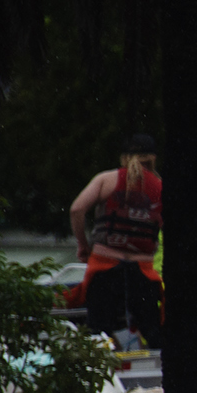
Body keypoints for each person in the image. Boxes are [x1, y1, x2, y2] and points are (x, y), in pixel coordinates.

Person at [68, 134, 165, 348]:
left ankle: (104, 377)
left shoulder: (106, 179)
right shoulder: (161, 187)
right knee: (152, 331)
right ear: (153, 158)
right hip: (142, 272)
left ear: (124, 157)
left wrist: (83, 245)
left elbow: (77, 209)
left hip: (105, 267)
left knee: (99, 331)